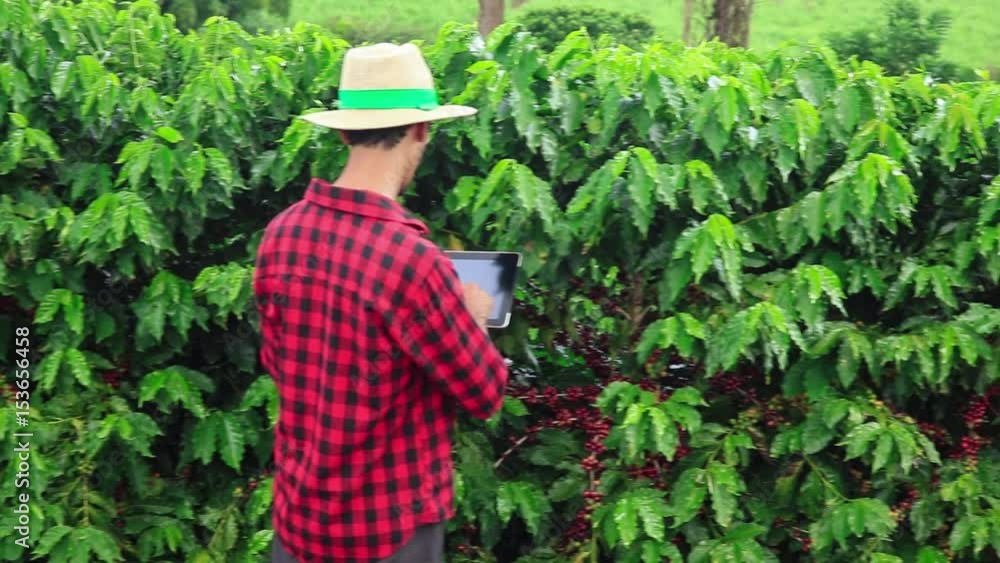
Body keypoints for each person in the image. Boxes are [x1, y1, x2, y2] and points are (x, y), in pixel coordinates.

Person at [253, 43, 510, 563]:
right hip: (388, 533)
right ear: (421, 129)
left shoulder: (282, 234)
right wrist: (474, 318)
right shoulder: (412, 260)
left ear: (345, 132)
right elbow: (484, 393)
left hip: (298, 523)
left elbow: (282, 364)